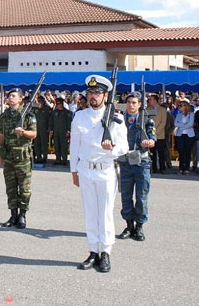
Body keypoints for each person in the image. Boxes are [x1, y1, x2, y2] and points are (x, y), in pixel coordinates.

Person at [70, 75, 128, 273]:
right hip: (85, 170)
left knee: (105, 213)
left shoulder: (116, 118)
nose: (93, 96)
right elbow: (74, 146)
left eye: (97, 93)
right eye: (90, 92)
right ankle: (93, 250)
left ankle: (106, 252)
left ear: (106, 96)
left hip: (105, 170)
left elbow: (124, 147)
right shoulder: (79, 116)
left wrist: (112, 148)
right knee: (90, 213)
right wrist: (74, 170)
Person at [117, 92, 155, 242]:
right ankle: (129, 225)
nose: (131, 105)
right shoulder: (120, 120)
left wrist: (149, 142)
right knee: (126, 196)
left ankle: (139, 226)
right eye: (129, 102)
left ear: (139, 104)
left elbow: (152, 137)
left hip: (141, 162)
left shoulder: (146, 119)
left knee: (141, 196)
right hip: (125, 161)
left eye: (134, 103)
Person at [0, 88, 37, 229]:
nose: (11, 98)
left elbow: (34, 134)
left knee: (24, 188)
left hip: (23, 158)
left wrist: (23, 132)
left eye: (14, 96)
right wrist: (1, 154)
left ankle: (22, 215)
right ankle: (13, 215)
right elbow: (1, 135)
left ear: (21, 99)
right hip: (9, 156)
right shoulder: (4, 116)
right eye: (9, 96)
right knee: (11, 188)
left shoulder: (28, 115)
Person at [174, 99, 195, 174]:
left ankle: (186, 168)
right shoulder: (179, 114)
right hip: (180, 134)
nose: (180, 107)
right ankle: (181, 168)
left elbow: (190, 124)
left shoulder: (191, 114)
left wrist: (182, 126)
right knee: (181, 151)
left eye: (181, 105)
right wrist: (184, 125)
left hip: (189, 135)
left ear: (185, 106)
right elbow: (175, 123)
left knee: (188, 151)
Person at [147, 94, 167, 174]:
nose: (149, 101)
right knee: (152, 153)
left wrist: (155, 132)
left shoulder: (163, 110)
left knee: (161, 152)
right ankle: (153, 168)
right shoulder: (147, 109)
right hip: (150, 135)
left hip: (160, 135)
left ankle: (162, 168)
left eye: (151, 99)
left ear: (155, 100)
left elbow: (163, 122)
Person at [51, 98, 72, 165]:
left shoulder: (67, 112)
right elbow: (51, 121)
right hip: (56, 132)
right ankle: (58, 159)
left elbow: (69, 122)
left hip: (64, 132)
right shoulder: (54, 112)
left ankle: (64, 160)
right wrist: (51, 129)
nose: (59, 105)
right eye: (57, 104)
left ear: (62, 104)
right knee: (57, 146)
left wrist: (68, 131)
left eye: (60, 104)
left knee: (63, 146)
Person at [33, 95, 52, 164]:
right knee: (36, 143)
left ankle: (44, 157)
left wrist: (49, 128)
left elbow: (50, 120)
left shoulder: (47, 109)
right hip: (36, 128)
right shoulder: (34, 109)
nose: (40, 102)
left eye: (41, 101)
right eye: (39, 101)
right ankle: (38, 157)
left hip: (44, 129)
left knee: (44, 144)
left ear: (44, 101)